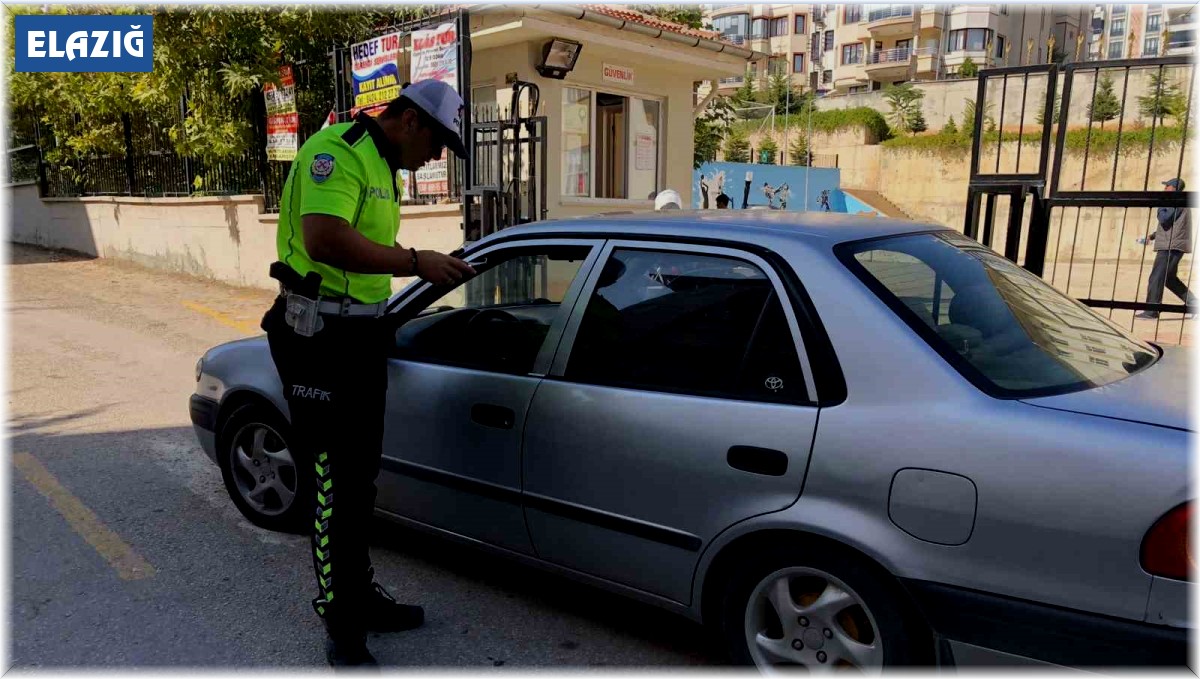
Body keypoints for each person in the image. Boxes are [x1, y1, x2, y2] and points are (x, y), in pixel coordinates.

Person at [260, 79, 475, 667]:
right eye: (438, 143)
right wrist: (415, 262)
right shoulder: (338, 151)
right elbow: (325, 240)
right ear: (409, 120)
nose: (437, 157)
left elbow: (363, 243)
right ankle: (343, 622)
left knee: (359, 479)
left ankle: (360, 595)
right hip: (319, 339)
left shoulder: (383, 166)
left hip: (360, 336)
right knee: (335, 481)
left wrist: (420, 269)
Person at [1136, 177, 1195, 319]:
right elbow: (1170, 225)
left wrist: (1160, 203)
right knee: (1169, 279)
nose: (1165, 189)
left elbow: (1164, 219)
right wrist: (1152, 236)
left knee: (1156, 278)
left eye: (1167, 186)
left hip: (1170, 246)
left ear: (1174, 188)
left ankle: (1152, 311)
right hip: (1174, 244)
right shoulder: (1180, 201)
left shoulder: (1175, 201)